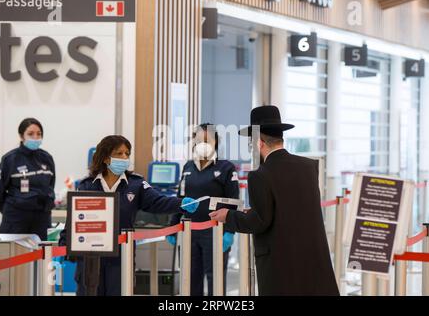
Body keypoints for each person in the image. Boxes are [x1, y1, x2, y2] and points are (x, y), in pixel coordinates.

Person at [210, 106, 339, 296]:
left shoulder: (260, 175)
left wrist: (228, 216)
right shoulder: (308, 168)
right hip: (312, 261)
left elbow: (260, 221)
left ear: (259, 142)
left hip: (281, 266)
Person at [59, 135, 199, 296]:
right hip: (89, 256)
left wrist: (181, 204)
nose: (125, 157)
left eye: (127, 153)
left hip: (121, 257)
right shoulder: (86, 185)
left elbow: (158, 202)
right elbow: (74, 219)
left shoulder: (136, 184)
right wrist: (65, 244)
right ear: (105, 158)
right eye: (119, 153)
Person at [167, 124, 239, 296]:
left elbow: (233, 203)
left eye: (207, 140)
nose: (202, 143)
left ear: (216, 143)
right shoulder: (188, 167)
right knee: (190, 278)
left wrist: (229, 232)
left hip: (215, 232)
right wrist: (172, 225)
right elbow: (180, 199)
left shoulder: (226, 168)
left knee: (215, 279)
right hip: (189, 231)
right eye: (199, 140)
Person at [0, 118, 56, 241]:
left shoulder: (47, 158)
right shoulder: (9, 159)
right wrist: (14, 211)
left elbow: (50, 185)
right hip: (16, 219)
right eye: (31, 134)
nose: (35, 137)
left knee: (40, 256)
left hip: (41, 219)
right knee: (12, 257)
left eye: (39, 134)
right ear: (21, 136)